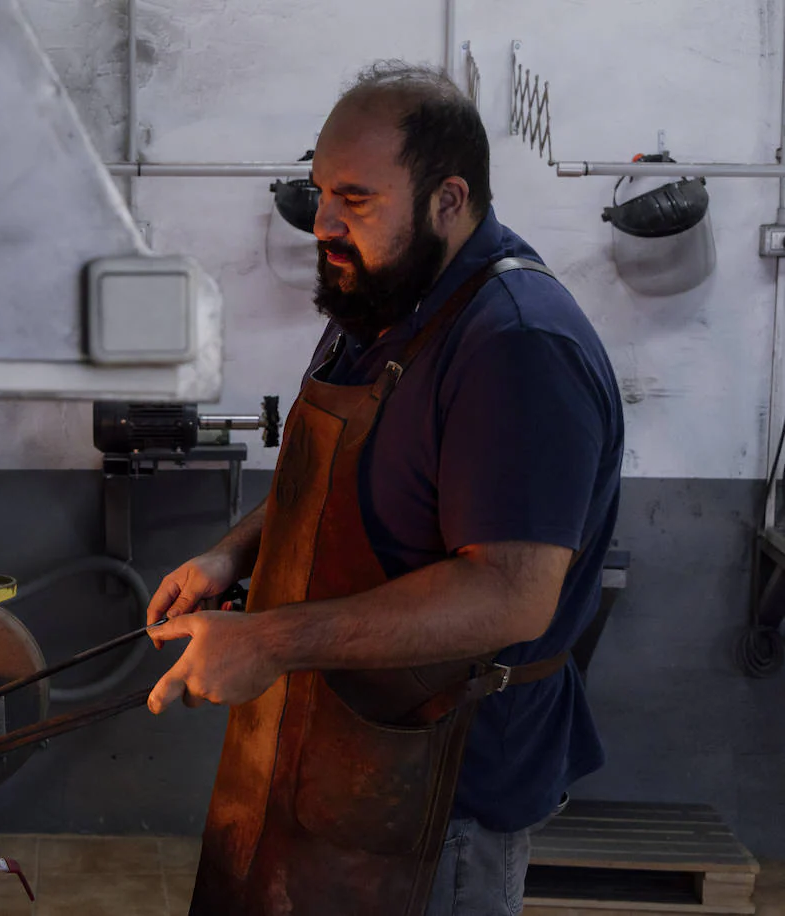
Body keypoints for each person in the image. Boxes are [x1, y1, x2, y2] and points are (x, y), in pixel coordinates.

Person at [144, 61, 624, 916]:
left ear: (449, 199)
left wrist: (269, 642)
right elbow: (345, 485)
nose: (322, 222)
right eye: (321, 190)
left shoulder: (514, 345)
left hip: (442, 787)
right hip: (330, 746)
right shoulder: (386, 302)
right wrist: (230, 556)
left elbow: (510, 597)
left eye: (356, 199)